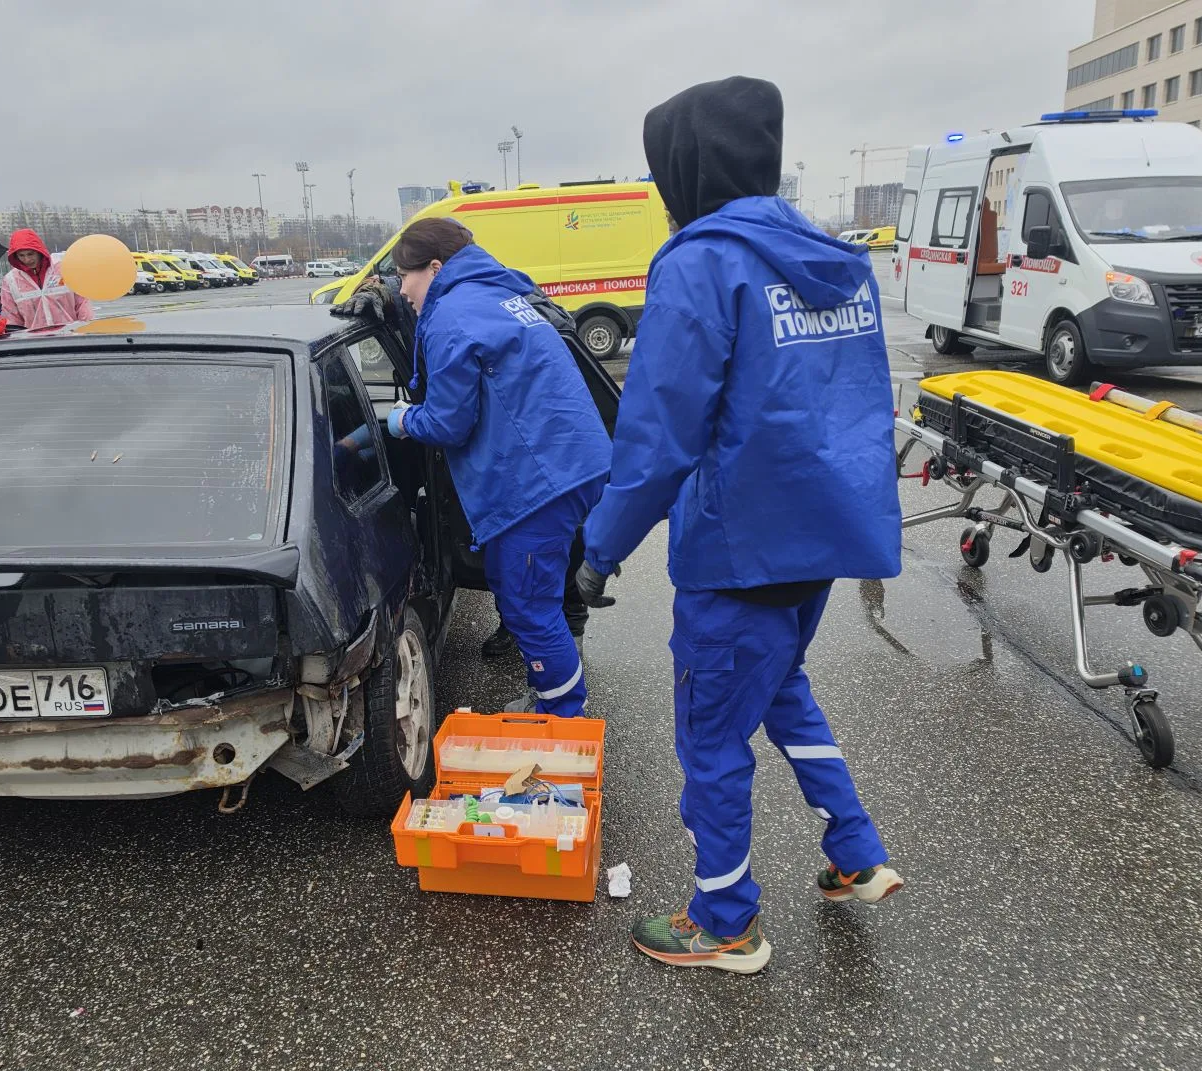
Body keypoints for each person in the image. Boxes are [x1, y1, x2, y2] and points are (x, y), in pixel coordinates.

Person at [576, 76, 905, 974]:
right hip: (821, 542)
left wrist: (600, 548)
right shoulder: (833, 259)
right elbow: (853, 409)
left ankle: (725, 922)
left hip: (738, 551)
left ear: (687, 167)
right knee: (782, 688)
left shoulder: (700, 263)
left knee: (713, 739)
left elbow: (658, 435)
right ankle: (856, 851)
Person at [383, 218, 611, 717]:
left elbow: (448, 423)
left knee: (527, 605)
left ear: (435, 268)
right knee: (531, 596)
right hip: (575, 460)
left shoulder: (451, 316)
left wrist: (400, 419)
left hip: (537, 481)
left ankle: (561, 715)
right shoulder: (500, 292)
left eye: (404, 277)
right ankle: (555, 695)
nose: (402, 290)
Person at [0, 228, 93, 330]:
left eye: (30, 254)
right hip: (35, 339)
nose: (27, 260)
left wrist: (86, 330)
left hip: (69, 335)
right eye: (21, 255)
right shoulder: (11, 281)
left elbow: (82, 303)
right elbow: (11, 317)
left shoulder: (63, 268)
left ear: (39, 251)